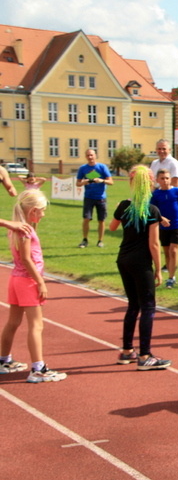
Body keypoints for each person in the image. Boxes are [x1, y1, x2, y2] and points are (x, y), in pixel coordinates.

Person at [0, 190, 67, 382]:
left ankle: (3, 360)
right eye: (43, 210)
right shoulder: (25, 230)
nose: (44, 215)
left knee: (13, 322)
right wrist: (40, 281)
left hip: (16, 279)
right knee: (36, 325)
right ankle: (38, 368)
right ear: (34, 211)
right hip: (27, 281)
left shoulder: (20, 228)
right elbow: (26, 258)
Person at [109, 166, 172, 370]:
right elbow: (154, 244)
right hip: (141, 262)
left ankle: (127, 350)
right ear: (150, 184)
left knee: (132, 305)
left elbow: (112, 227)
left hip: (124, 259)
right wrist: (157, 269)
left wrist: (122, 209)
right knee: (148, 307)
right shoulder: (151, 210)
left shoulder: (125, 206)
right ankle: (145, 355)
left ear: (132, 184)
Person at [150, 169, 178, 289]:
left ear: (170, 179)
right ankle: (169, 274)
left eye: (167, 178)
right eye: (162, 178)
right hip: (162, 227)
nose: (165, 180)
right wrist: (160, 219)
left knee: (173, 251)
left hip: (176, 225)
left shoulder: (177, 191)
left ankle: (171, 277)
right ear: (157, 180)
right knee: (167, 252)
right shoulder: (156, 194)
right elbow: (153, 211)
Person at [76, 148, 113, 248]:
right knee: (86, 219)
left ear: (95, 155)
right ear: (86, 157)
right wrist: (84, 182)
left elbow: (111, 182)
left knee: (101, 220)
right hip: (88, 197)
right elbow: (78, 183)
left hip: (101, 197)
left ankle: (100, 241)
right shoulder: (83, 168)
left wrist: (101, 180)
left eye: (91, 155)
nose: (90, 157)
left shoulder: (102, 167)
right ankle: (85, 240)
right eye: (88, 155)